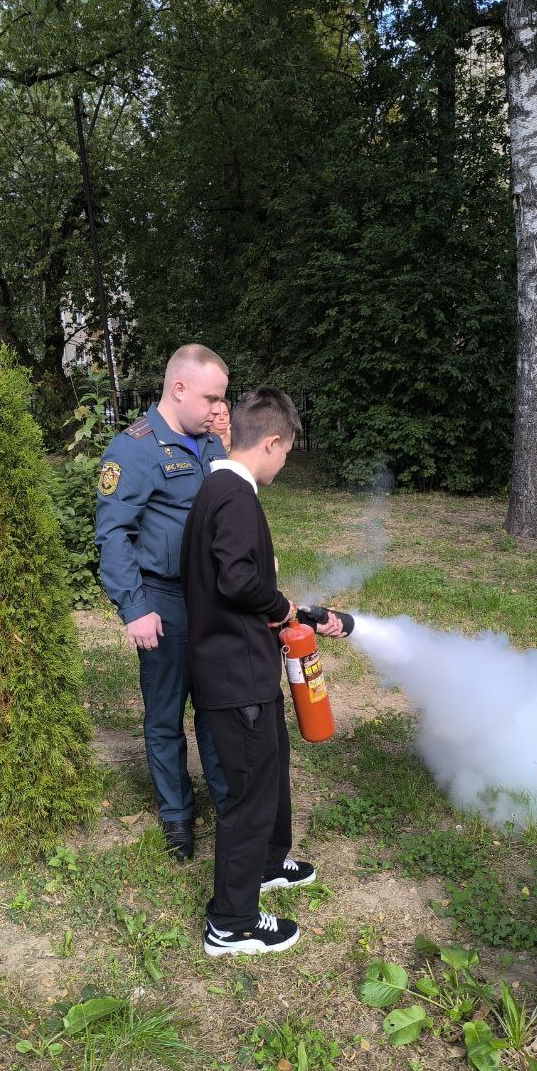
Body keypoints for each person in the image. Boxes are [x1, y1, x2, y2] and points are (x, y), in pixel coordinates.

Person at [180, 388, 344, 956]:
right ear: (271, 442)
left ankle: (269, 863)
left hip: (247, 668)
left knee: (271, 769)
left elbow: (234, 578)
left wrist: (273, 610)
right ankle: (231, 923)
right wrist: (279, 606)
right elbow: (236, 581)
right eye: (287, 453)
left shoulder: (220, 489)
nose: (284, 464)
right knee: (248, 796)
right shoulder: (233, 496)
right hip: (235, 676)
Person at [95, 343, 230, 863]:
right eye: (211, 397)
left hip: (214, 601)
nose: (219, 407)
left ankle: (227, 802)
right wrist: (134, 608)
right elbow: (113, 535)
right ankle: (177, 815)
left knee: (218, 707)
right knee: (165, 714)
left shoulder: (211, 445)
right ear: (178, 389)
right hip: (164, 601)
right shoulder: (134, 450)